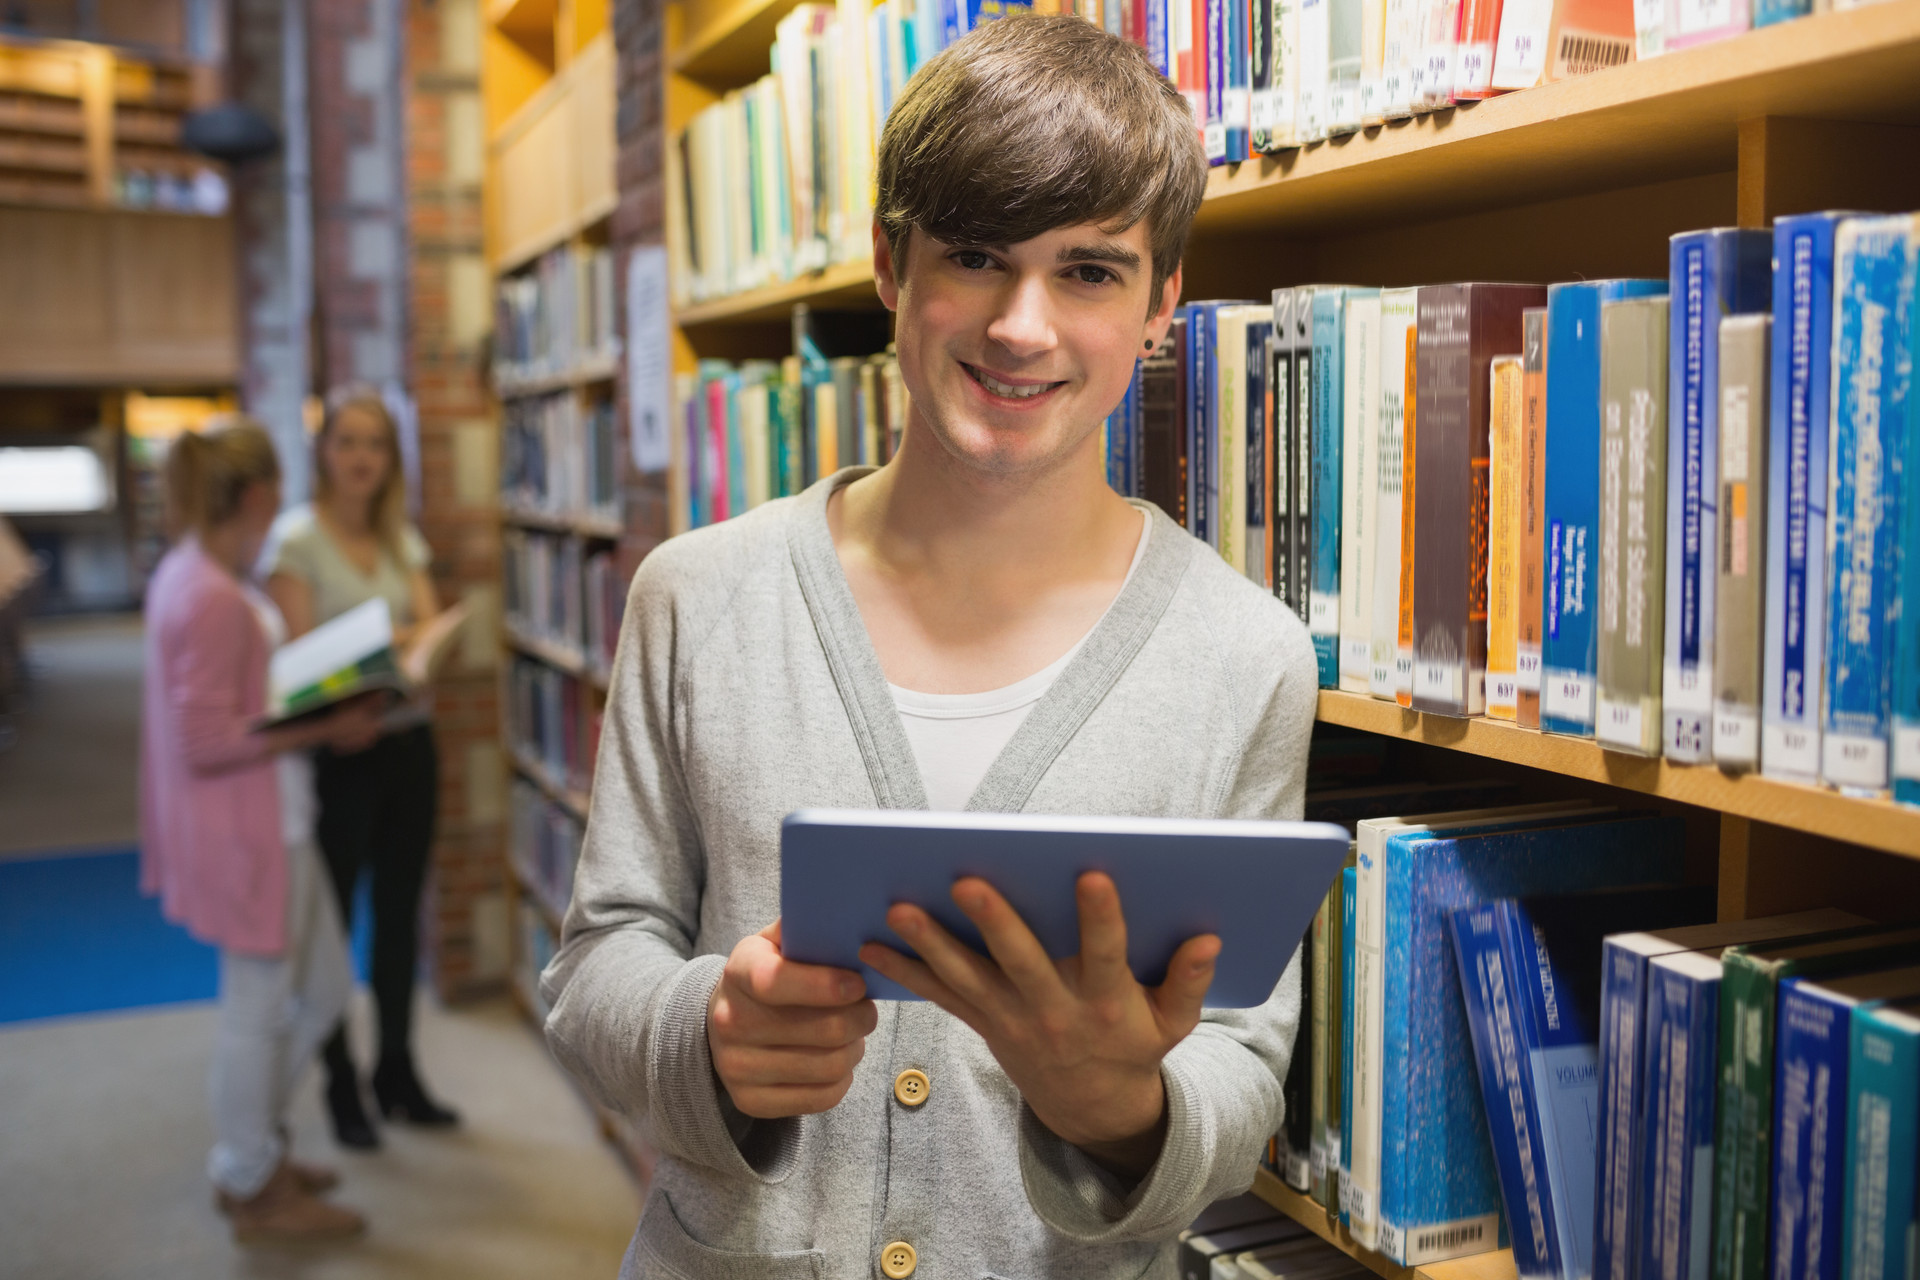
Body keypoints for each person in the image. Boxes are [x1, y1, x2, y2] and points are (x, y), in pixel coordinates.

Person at [541, 15, 1318, 1280]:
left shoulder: (1250, 656)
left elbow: (1240, 1063)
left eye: (1090, 271)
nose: (1023, 326)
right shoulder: (696, 596)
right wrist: (712, 1032)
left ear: (1163, 300)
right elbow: (595, 962)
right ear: (890, 267)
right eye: (974, 255)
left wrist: (1124, 1109)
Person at [141, 416, 384, 1243]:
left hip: (278, 821)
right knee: (260, 1006)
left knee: (319, 991)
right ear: (257, 494)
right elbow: (204, 740)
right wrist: (324, 726)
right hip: (253, 833)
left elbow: (229, 705)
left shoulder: (201, 572)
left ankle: (255, 1151)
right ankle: (251, 1177)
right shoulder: (208, 593)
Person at [265, 387, 456, 1149]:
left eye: (375, 444)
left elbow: (427, 631)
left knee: (401, 919)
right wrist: (390, 641)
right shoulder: (296, 543)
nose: (361, 458)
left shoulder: (400, 538)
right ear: (324, 452)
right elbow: (297, 664)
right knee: (333, 925)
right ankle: (341, 1086)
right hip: (338, 759)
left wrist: (396, 641)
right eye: (347, 442)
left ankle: (398, 1073)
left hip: (408, 746)